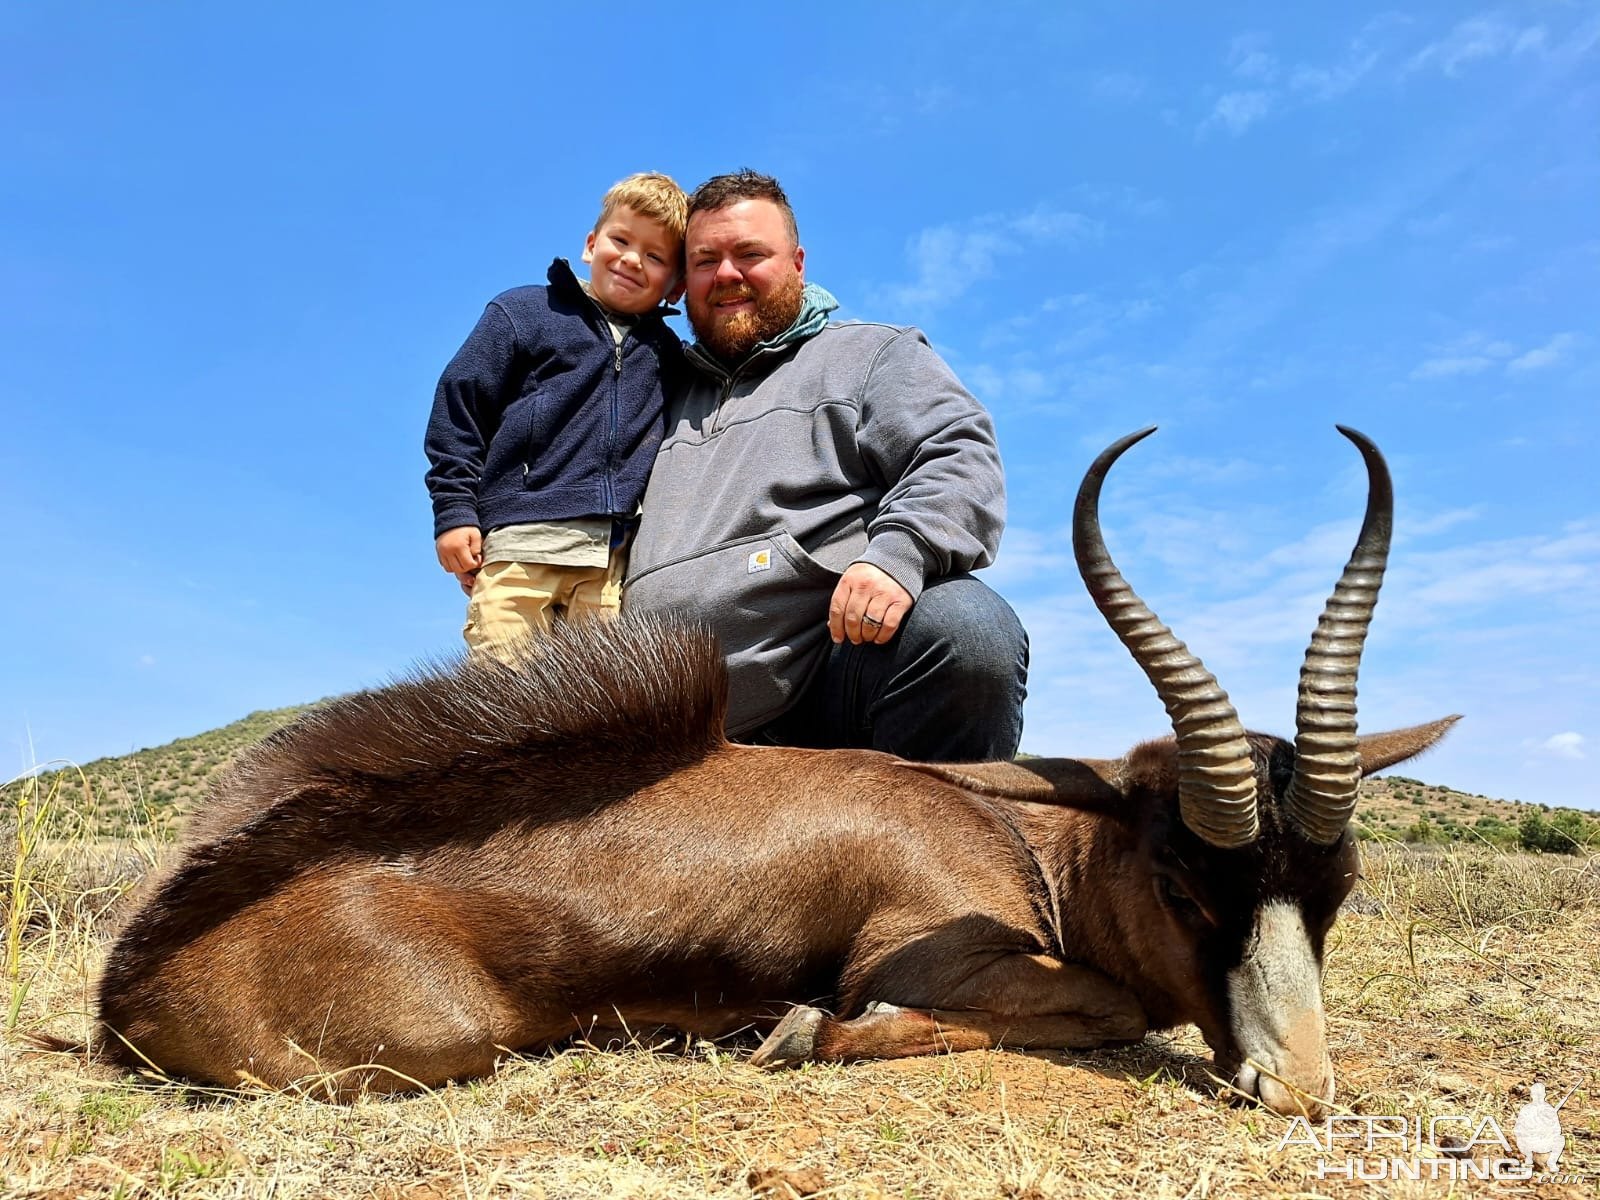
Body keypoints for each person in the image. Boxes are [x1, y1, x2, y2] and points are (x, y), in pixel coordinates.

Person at [624, 171, 1027, 762]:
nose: (728, 275)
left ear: (797, 262)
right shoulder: (647, 389)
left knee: (967, 630)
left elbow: (956, 452)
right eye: (706, 260)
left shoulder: (869, 356)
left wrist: (898, 558)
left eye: (750, 254)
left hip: (824, 688)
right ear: (682, 283)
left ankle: (931, 849)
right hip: (656, 715)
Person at [424, 172, 687, 662]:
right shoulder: (523, 311)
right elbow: (460, 407)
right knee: (502, 695)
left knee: (591, 710)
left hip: (610, 564)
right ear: (591, 244)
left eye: (655, 257)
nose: (632, 259)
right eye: (621, 240)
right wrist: (454, 511)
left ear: (676, 287)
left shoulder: (668, 356)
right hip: (522, 544)